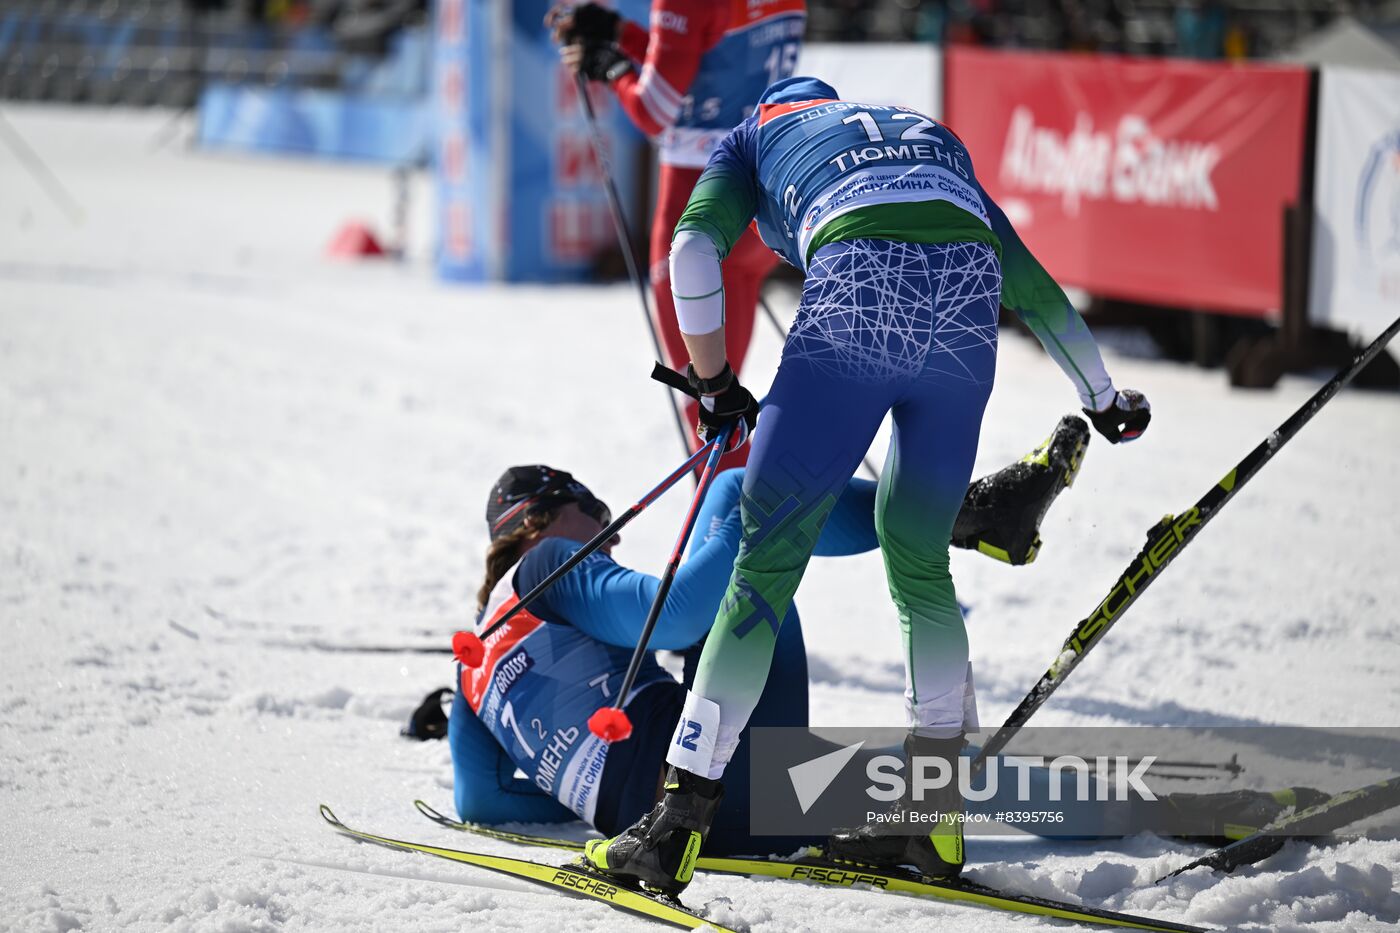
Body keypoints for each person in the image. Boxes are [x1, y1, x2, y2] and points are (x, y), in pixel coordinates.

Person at [580, 76, 1154, 896]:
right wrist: (1103, 397)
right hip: (965, 313)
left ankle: (674, 827)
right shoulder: (921, 129)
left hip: (858, 298)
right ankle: (930, 824)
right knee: (921, 570)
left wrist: (711, 383)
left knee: (761, 572)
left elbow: (690, 251)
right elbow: (1026, 279)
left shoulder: (747, 137)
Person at [449, 420, 1088, 855]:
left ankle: (1144, 796)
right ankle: (963, 515)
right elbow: (676, 616)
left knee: (913, 780)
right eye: (597, 513)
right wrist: (750, 524)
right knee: (736, 490)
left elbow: (480, 800)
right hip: (707, 780)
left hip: (674, 823)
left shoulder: (471, 669)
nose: (609, 535)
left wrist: (570, 772)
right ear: (539, 520)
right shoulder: (547, 563)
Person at [545, 0, 807, 471]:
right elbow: (701, 65)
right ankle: (746, 528)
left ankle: (730, 538)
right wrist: (621, 34)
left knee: (708, 405)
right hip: (764, 195)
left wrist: (613, 69)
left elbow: (655, 109)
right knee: (724, 400)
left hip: (700, 203)